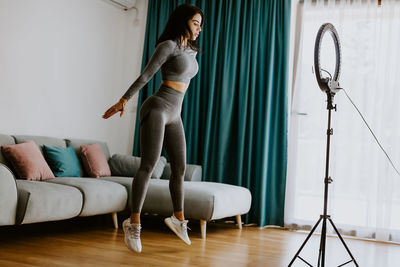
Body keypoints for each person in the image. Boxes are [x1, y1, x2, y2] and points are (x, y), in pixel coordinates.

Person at [102, 4, 203, 253]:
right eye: (195, 23)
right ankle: (133, 223)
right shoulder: (167, 46)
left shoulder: (191, 51)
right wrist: (124, 100)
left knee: (179, 167)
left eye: (201, 24)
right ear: (183, 21)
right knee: (149, 164)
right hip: (157, 107)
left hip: (174, 114)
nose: (199, 28)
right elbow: (146, 76)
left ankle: (178, 218)